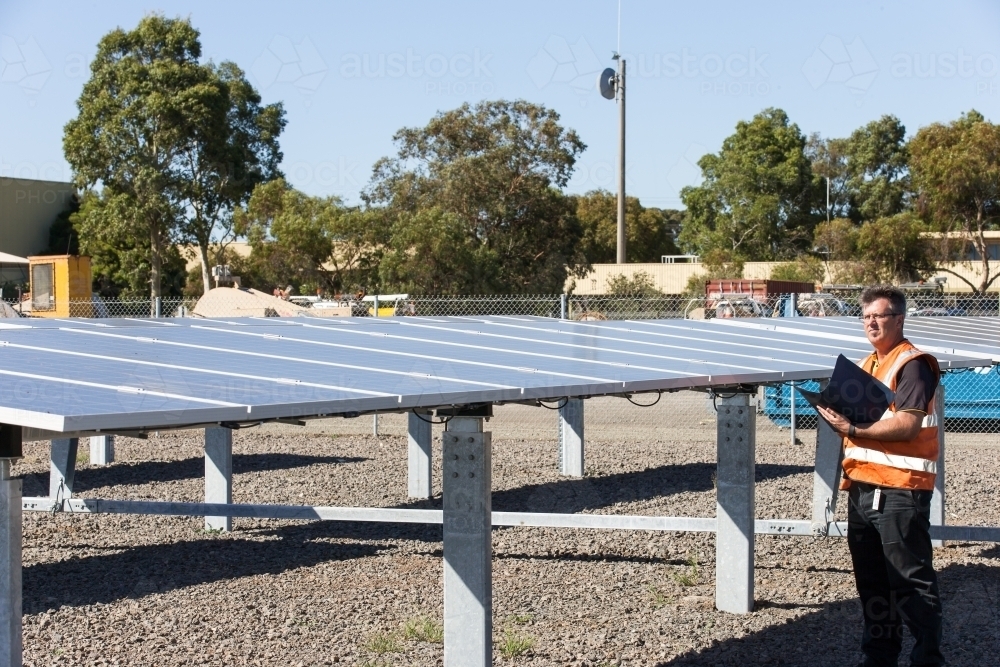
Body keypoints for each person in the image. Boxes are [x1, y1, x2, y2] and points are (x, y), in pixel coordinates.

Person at [816, 285, 945, 667]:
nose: (872, 322)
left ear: (899, 319)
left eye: (880, 316)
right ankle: (879, 657)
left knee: (909, 580)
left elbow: (906, 426)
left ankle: (928, 660)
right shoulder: (867, 364)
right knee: (873, 582)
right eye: (866, 316)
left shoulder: (914, 364)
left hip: (900, 491)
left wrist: (852, 429)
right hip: (863, 488)